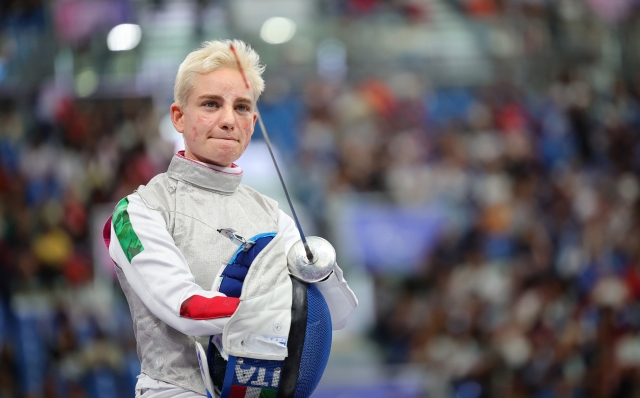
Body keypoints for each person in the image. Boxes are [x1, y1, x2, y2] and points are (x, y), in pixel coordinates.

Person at [103, 39, 358, 398]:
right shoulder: (137, 211)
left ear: (253, 123)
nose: (227, 120)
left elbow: (334, 316)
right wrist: (272, 313)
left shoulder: (272, 214)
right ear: (178, 116)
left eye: (241, 107)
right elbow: (182, 307)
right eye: (210, 104)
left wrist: (322, 271)